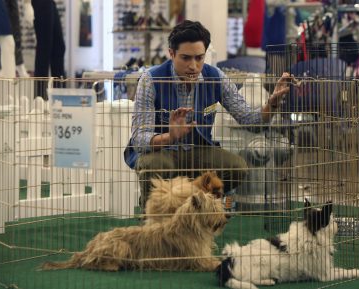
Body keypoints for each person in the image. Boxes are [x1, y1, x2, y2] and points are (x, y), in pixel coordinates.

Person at [124, 20, 292, 208]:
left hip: (198, 149)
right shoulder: (151, 79)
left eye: (199, 58)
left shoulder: (216, 77)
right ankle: (152, 221)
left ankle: (196, 210)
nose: (194, 66)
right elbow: (139, 139)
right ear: (171, 53)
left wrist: (273, 102)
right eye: (186, 58)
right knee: (154, 166)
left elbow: (251, 121)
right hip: (162, 152)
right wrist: (170, 136)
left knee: (237, 168)